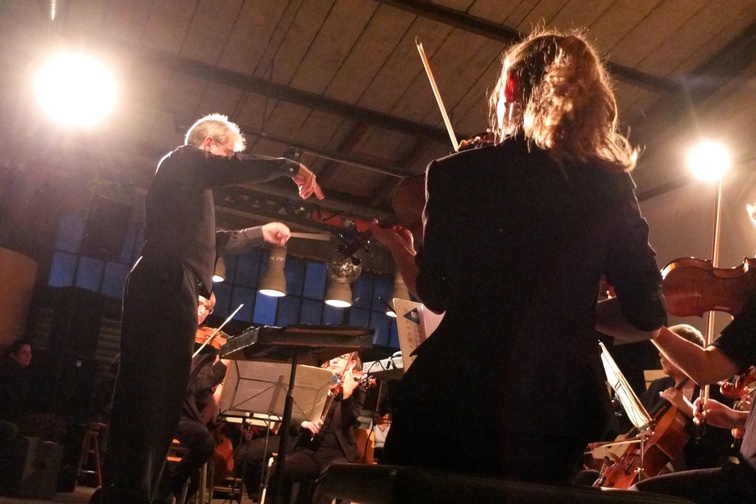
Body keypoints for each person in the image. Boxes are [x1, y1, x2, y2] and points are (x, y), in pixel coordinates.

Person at [369, 27, 667, 484]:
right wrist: (570, 311)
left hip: (452, 399)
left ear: (509, 87)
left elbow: (437, 293)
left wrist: (407, 251)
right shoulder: (609, 184)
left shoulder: (456, 173)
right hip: (553, 415)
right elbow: (647, 314)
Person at [98, 113, 323, 504]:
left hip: (173, 282)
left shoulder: (187, 193)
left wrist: (259, 233)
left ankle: (140, 494)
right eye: (228, 153)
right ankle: (128, 495)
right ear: (209, 146)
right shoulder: (183, 160)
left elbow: (213, 242)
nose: (231, 162)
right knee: (150, 396)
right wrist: (289, 167)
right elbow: (234, 171)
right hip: (167, 280)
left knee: (161, 399)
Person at [629, 294, 756, 503]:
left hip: (747, 477)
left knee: (639, 495)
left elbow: (706, 368)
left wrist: (647, 322)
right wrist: (737, 417)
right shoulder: (661, 386)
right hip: (744, 468)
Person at [265, 353, 367, 504]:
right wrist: (304, 423)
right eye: (334, 356)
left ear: (352, 363)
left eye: (342, 357)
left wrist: (347, 395)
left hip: (338, 453)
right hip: (310, 450)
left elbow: (349, 420)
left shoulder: (357, 389)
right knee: (280, 468)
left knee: (331, 475)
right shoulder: (318, 384)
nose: (335, 360)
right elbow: (292, 414)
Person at [0, 340, 33, 443]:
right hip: (9, 416)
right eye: (24, 352)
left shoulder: (21, 372)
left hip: (15, 416)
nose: (28, 356)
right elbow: (9, 400)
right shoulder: (8, 372)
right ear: (13, 354)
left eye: (30, 353)